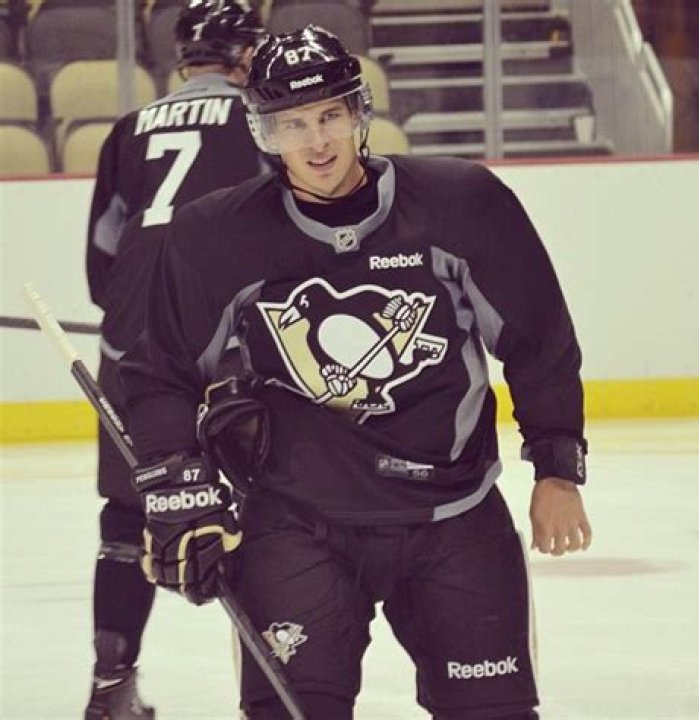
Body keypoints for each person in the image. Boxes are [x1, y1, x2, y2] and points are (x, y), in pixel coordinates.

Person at [119, 24, 593, 720]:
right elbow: (161, 373)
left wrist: (557, 467)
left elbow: (538, 338)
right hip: (296, 521)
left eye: (330, 116)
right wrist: (177, 490)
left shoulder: (463, 204)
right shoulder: (217, 236)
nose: (316, 142)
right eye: (292, 124)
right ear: (263, 132)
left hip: (453, 516)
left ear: (359, 113)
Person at [83, 2, 265, 718]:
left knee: (128, 514)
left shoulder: (127, 128)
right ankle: (276, 689)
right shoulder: (262, 116)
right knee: (270, 509)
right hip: (234, 342)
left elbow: (101, 262)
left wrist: (142, 315)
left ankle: (111, 688)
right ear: (243, 54)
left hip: (130, 344)